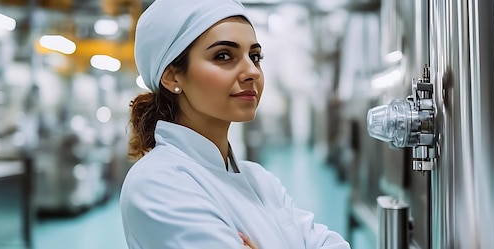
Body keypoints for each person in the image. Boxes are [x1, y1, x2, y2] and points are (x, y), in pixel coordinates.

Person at [119, 0, 352, 248]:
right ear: (172, 75)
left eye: (255, 56)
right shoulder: (157, 184)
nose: (252, 71)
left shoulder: (261, 181)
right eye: (223, 56)